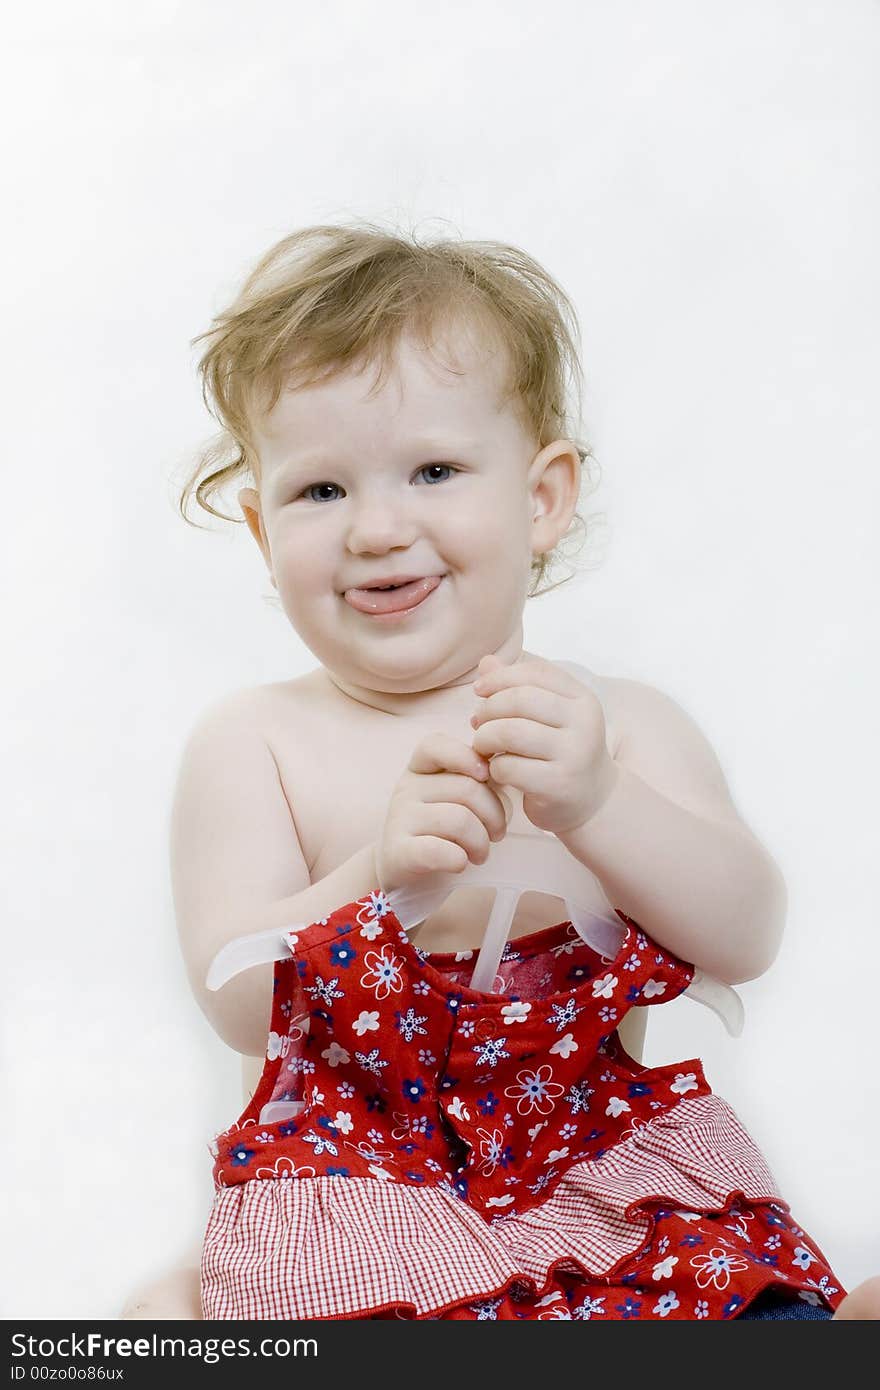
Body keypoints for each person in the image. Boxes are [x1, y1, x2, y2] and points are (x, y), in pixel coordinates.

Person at [122, 223, 878, 1321]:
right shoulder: (257, 741)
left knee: (730, 1296)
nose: (377, 527)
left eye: (433, 470)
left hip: (607, 1180)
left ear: (541, 500)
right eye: (319, 491)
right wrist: (373, 873)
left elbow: (745, 932)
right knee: (218, 1316)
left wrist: (601, 804)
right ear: (258, 526)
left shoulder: (614, 725)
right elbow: (239, 1001)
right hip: (366, 1198)